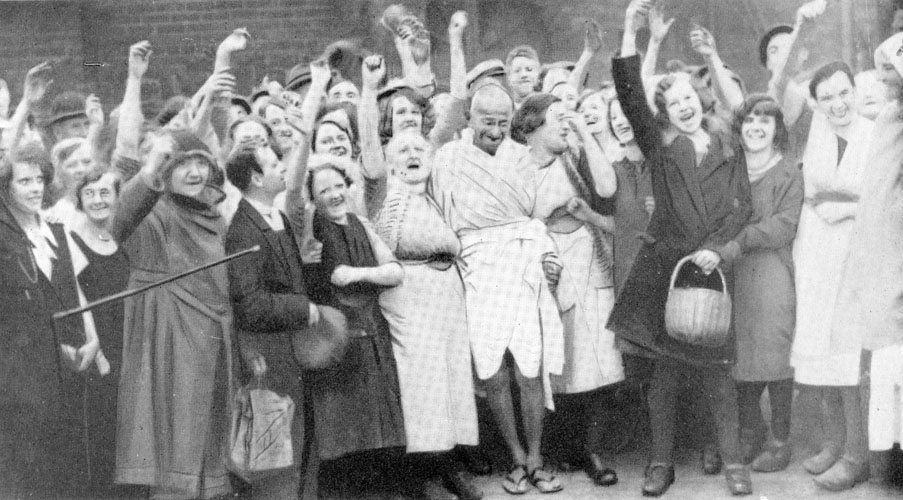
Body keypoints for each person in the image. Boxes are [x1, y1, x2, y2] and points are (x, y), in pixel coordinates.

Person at [606, 1, 753, 496]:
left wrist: (719, 250)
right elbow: (629, 95)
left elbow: (741, 208)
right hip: (667, 274)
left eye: (690, 96)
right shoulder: (662, 146)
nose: (684, 105)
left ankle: (734, 463)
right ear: (665, 113)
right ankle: (660, 462)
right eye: (673, 103)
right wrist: (630, 30)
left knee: (717, 377)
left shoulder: (730, 144)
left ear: (702, 99)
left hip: (715, 272)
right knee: (664, 378)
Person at [430, 80, 565, 495]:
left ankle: (537, 457)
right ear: (468, 118)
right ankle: (516, 458)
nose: (494, 130)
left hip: (521, 262)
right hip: (476, 268)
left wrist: (546, 255)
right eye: (486, 121)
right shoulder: (448, 158)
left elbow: (532, 212)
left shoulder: (521, 157)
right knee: (492, 371)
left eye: (503, 122)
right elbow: (441, 212)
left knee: (529, 367)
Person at [111, 130, 234, 500]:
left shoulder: (215, 215)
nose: (195, 172)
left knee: (209, 463)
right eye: (183, 164)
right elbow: (117, 222)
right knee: (173, 464)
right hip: (169, 345)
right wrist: (151, 167)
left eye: (201, 162)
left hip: (213, 343)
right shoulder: (153, 211)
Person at [512, 93, 624, 488]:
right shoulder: (513, 166)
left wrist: (581, 131)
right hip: (543, 264)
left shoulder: (574, 154)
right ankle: (558, 448)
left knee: (599, 359)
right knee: (556, 361)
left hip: (588, 255)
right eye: (558, 118)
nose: (566, 123)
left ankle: (592, 451)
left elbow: (608, 188)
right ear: (532, 127)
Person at [375, 131, 481, 500]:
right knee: (422, 385)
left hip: (447, 290)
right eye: (402, 151)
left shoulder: (435, 197)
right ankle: (423, 475)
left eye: (419, 149)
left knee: (452, 381)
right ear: (390, 163)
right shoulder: (386, 196)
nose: (412, 155)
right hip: (409, 291)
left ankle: (449, 465)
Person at [789, 61, 874, 491]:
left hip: (859, 251)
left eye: (844, 93)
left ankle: (856, 455)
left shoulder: (877, 135)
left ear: (855, 90)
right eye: (828, 98)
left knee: (849, 352)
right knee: (818, 347)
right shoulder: (817, 133)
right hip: (818, 250)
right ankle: (833, 440)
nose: (838, 104)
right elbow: (807, 190)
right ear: (817, 104)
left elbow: (892, 199)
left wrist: (852, 208)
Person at [224, 136, 320, 500]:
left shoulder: (274, 216)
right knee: (273, 450)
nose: (282, 167)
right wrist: (302, 309)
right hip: (269, 354)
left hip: (289, 349)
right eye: (274, 164)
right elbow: (248, 304)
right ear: (256, 178)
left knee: (296, 442)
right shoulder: (242, 231)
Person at [829, 32, 903, 486]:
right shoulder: (891, 121)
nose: (882, 78)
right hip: (890, 255)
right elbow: (879, 196)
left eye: (889, 70)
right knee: (889, 365)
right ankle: (890, 460)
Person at [0, 142, 94, 497]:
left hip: (70, 367)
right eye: (24, 181)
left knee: (65, 467)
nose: (35, 188)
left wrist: (92, 338)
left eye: (39, 180)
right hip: (23, 377)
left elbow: (75, 290)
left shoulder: (56, 231)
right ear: (7, 186)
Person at [304, 159, 407, 463]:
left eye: (339, 186)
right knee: (343, 421)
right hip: (335, 331)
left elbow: (395, 271)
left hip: (372, 324)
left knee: (382, 416)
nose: (335, 194)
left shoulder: (360, 223)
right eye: (324, 190)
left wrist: (358, 274)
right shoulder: (311, 229)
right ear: (313, 198)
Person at [722, 94, 803, 472]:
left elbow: (785, 224)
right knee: (740, 355)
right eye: (750, 119)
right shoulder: (730, 167)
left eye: (765, 121)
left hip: (770, 268)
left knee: (775, 352)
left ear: (777, 129)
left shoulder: (787, 169)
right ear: (739, 127)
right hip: (733, 271)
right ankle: (751, 432)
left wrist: (741, 240)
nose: (756, 126)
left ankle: (780, 440)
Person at [69, 168, 131, 492]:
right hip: (102, 358)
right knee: (104, 447)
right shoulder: (72, 239)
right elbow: (78, 303)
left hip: (129, 349)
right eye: (89, 193)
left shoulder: (118, 236)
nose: (97, 200)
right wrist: (100, 352)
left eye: (105, 192)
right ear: (79, 199)